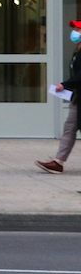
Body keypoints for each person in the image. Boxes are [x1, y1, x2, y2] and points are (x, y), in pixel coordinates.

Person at [37, 20, 81, 173]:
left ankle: (58, 161)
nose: (75, 31)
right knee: (70, 127)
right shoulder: (78, 51)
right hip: (77, 97)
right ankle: (58, 162)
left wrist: (65, 84)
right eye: (75, 28)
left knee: (71, 127)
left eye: (78, 29)